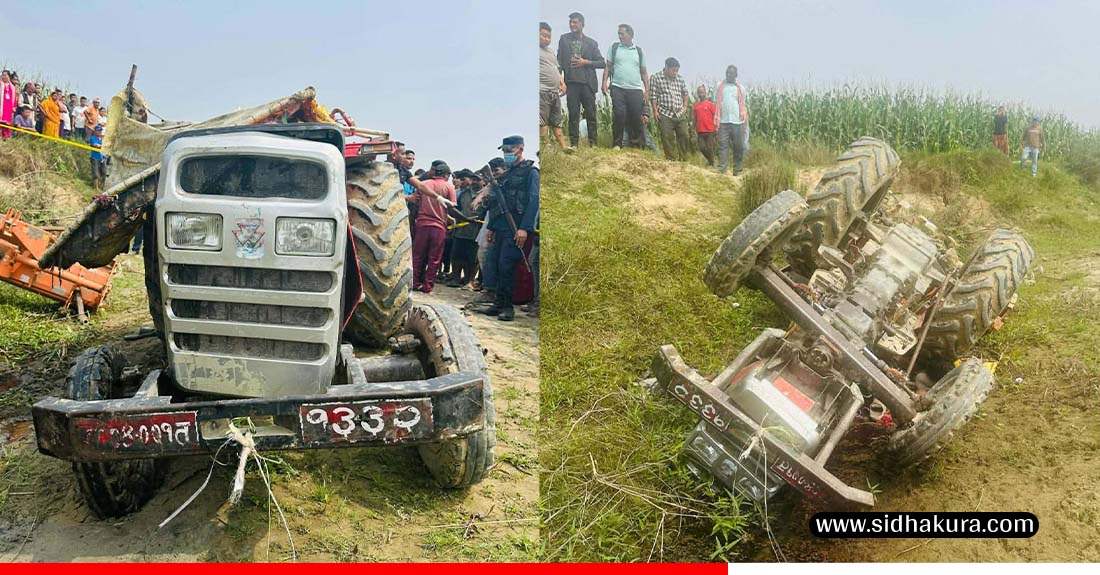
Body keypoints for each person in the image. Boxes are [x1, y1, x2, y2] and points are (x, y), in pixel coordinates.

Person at [479, 136, 539, 322]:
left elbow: (533, 200)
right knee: (496, 263)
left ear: (520, 149)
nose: (506, 154)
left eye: (509, 150)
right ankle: (498, 303)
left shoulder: (531, 172)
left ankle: (507, 308)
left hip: (516, 228)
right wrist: (492, 227)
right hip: (501, 226)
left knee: (507, 266)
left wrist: (524, 228)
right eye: (504, 151)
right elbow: (498, 202)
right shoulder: (507, 173)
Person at [407, 162, 457, 293]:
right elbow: (451, 207)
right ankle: (428, 286)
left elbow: (416, 204)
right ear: (446, 175)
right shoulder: (449, 186)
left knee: (418, 256)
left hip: (422, 224)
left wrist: (412, 223)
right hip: (439, 226)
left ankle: (415, 282)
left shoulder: (424, 185)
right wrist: (459, 219)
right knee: (434, 258)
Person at [557, 12, 604, 148]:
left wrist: (586, 62)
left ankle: (593, 143)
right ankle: (574, 144)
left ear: (582, 24)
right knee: (573, 114)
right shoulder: (564, 39)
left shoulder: (591, 43)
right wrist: (560, 82)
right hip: (571, 82)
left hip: (588, 84)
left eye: (575, 22)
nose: (572, 24)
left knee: (591, 114)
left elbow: (601, 63)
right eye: (571, 22)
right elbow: (559, 61)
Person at [602, 24, 648, 149]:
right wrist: (604, 83)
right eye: (619, 34)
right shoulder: (614, 48)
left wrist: (647, 90)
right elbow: (608, 66)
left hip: (635, 89)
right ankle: (617, 144)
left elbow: (644, 72)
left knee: (635, 116)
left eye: (622, 33)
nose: (620, 36)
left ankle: (636, 145)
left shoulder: (638, 51)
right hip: (617, 87)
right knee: (619, 115)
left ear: (630, 35)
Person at [649, 57, 691, 161]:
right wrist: (655, 111)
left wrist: (685, 106)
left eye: (677, 70)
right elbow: (653, 96)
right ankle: (671, 160)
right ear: (666, 68)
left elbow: (685, 93)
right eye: (673, 70)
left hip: (679, 112)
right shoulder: (656, 77)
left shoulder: (680, 79)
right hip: (665, 113)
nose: (675, 73)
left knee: (684, 135)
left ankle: (684, 159)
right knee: (667, 137)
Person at [448, 171, 482, 288]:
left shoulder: (486, 195)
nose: (475, 182)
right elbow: (457, 209)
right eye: (473, 179)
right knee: (457, 255)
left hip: (477, 233)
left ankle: (470, 281)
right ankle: (456, 278)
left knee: (473, 258)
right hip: (461, 231)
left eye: (478, 180)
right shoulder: (464, 194)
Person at [715, 65, 749, 175]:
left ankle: (737, 170)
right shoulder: (720, 86)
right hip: (723, 121)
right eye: (728, 73)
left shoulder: (740, 88)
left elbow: (743, 105)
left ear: (736, 75)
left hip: (738, 121)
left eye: (732, 73)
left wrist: (745, 123)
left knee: (738, 147)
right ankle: (722, 170)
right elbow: (716, 102)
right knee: (723, 146)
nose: (729, 75)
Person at [539, 22, 568, 150]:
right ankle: (544, 146)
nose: (547, 39)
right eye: (543, 36)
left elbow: (556, 69)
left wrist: (562, 83)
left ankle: (564, 146)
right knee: (542, 121)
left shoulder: (551, 52)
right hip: (542, 91)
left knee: (557, 121)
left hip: (554, 92)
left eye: (549, 37)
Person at [693, 85, 717, 166]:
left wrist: (716, 128)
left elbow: (715, 116)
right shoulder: (696, 106)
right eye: (699, 92)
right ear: (697, 94)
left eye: (702, 92)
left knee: (710, 148)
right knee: (702, 148)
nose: (701, 94)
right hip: (700, 131)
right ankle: (711, 161)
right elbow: (694, 118)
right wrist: (692, 128)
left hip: (710, 130)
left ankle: (711, 163)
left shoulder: (710, 104)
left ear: (705, 93)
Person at [89, 124, 107, 191]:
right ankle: (96, 188)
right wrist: (101, 145)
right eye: (98, 131)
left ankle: (102, 187)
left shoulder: (102, 138)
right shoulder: (93, 138)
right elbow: (95, 145)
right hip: (95, 157)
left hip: (103, 157)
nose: (100, 132)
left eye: (100, 131)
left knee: (104, 173)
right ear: (95, 131)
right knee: (95, 173)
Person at [0, 71, 15, 139]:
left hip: (8, 108)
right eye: (2, 75)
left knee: (7, 124)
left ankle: (6, 137)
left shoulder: (12, 87)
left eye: (5, 75)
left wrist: (14, 107)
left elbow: (14, 99)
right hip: (1, 107)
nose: (3, 77)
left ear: (9, 77)